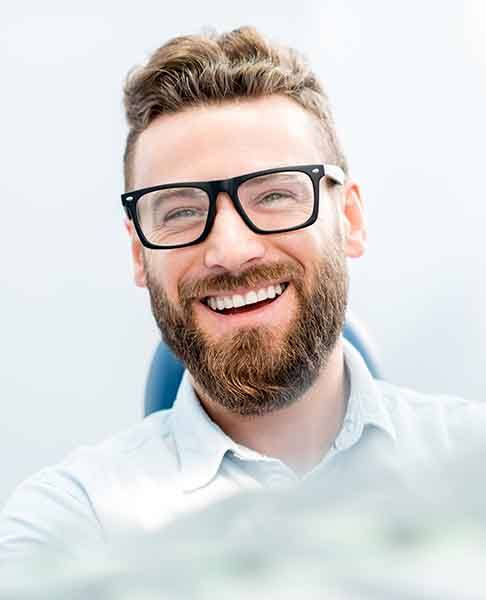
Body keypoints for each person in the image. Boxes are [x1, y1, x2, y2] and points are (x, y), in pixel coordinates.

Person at [1, 25, 484, 561]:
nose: (230, 250)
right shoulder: (73, 523)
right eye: (181, 211)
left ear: (349, 217)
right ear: (140, 254)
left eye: (275, 194)